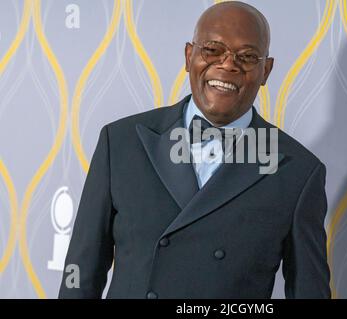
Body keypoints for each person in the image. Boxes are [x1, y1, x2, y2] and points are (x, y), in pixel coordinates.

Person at [59, 1, 330, 299]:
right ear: (189, 56)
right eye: (212, 50)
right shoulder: (121, 142)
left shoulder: (299, 172)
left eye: (248, 56)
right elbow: (81, 273)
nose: (228, 64)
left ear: (265, 71)